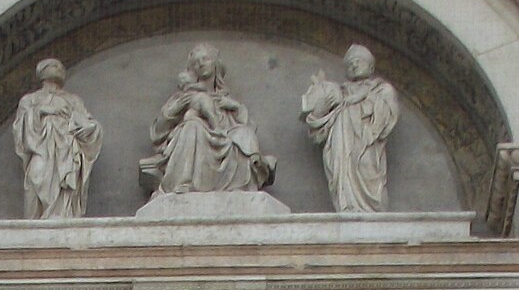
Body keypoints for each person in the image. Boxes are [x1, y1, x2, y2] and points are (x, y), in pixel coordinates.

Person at [141, 44, 274, 196]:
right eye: (196, 62)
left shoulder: (225, 100)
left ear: (215, 64)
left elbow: (247, 127)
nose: (201, 63)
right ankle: (185, 182)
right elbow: (159, 131)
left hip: (224, 139)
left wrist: (236, 107)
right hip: (198, 138)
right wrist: (177, 107)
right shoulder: (185, 96)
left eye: (205, 59)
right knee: (193, 126)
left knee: (244, 133)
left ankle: (241, 181)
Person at [302, 43, 399, 215]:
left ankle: (371, 210)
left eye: (358, 62)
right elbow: (317, 126)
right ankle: (347, 206)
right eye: (350, 64)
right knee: (342, 174)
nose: (354, 65)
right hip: (340, 144)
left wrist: (362, 99)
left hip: (366, 143)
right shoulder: (339, 92)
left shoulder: (381, 89)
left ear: (371, 66)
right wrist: (322, 101)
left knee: (366, 167)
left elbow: (388, 115)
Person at [11, 58, 102, 217]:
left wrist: (92, 128)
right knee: (36, 174)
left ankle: (63, 217)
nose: (58, 69)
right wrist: (41, 111)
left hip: (66, 149)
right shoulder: (30, 100)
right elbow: (20, 127)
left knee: (65, 183)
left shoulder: (73, 100)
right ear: (42, 71)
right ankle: (35, 222)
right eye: (53, 66)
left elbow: (88, 122)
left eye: (60, 67)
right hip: (40, 148)